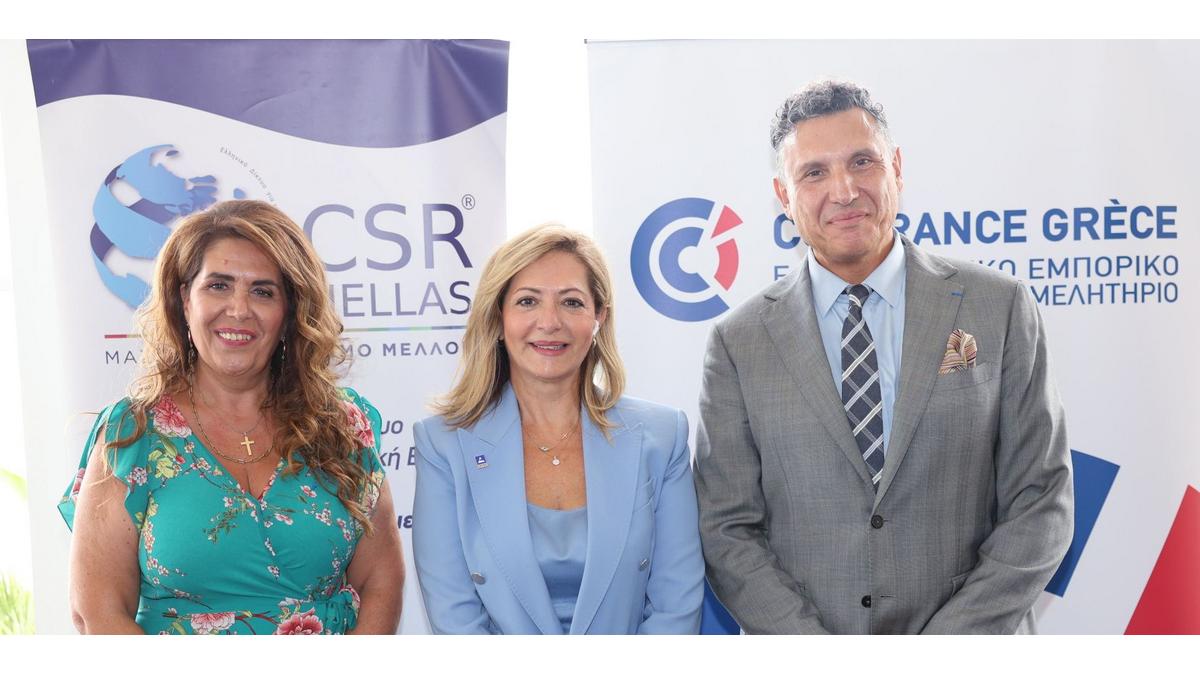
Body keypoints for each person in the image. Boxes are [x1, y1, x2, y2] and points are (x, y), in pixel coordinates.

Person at [693, 80, 1074, 634]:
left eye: (861, 162)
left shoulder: (1000, 307)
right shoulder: (738, 342)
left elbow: (1041, 501)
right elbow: (727, 529)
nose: (844, 190)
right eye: (814, 172)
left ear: (895, 167)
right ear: (783, 196)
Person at [59, 199, 405, 634]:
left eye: (263, 291)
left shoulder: (343, 426)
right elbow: (97, 610)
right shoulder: (132, 434)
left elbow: (381, 582)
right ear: (185, 300)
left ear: (290, 312)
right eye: (218, 285)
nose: (239, 309)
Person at [412, 224, 704, 634]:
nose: (549, 322)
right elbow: (456, 620)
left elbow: (676, 608)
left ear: (599, 317)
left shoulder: (662, 437)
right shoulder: (443, 444)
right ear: (498, 317)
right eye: (527, 301)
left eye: (571, 302)